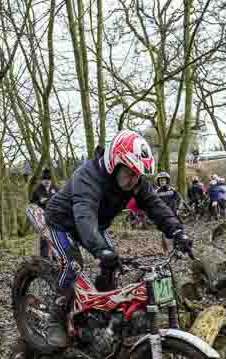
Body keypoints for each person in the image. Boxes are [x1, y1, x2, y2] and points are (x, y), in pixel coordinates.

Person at [43, 129, 193, 348]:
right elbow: (84, 214)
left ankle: (102, 313)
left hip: (96, 225)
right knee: (73, 264)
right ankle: (55, 319)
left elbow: (155, 205)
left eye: (138, 175)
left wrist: (178, 232)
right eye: (131, 173)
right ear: (115, 163)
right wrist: (100, 250)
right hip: (63, 222)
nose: (134, 180)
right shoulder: (88, 176)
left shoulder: (135, 181)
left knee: (113, 264)